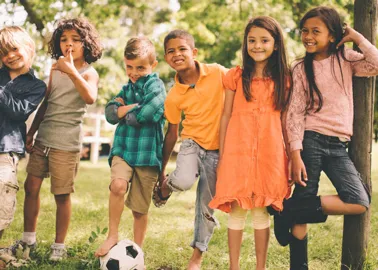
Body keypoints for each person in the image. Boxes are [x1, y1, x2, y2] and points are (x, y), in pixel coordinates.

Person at [273, 6, 378, 269]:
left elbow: (376, 64)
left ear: (332, 36)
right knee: (306, 194)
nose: (308, 36)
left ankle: (287, 210)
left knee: (358, 201)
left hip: (338, 145)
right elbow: (294, 113)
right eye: (305, 31)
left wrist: (357, 38)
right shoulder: (299, 68)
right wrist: (295, 153)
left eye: (315, 31)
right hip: (310, 141)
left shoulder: (346, 58)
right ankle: (299, 266)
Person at [12, 18, 102, 261]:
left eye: (75, 39)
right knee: (31, 187)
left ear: (87, 43)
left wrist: (71, 70)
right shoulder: (54, 68)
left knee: (61, 195)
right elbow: (47, 102)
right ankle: (28, 238)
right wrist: (32, 132)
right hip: (44, 138)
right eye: (63, 40)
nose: (69, 44)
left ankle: (58, 247)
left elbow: (90, 97)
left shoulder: (89, 73)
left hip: (67, 142)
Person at [208, 16, 291, 270]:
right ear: (245, 43)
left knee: (261, 211)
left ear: (276, 44)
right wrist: (223, 153)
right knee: (236, 209)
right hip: (237, 151)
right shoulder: (236, 76)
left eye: (264, 40)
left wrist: (288, 155)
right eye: (252, 40)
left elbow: (287, 120)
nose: (257, 45)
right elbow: (225, 115)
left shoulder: (284, 79)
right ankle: (234, 267)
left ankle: (260, 267)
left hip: (271, 152)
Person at [152, 29, 227, 270]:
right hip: (192, 144)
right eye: (170, 51)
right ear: (166, 58)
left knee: (207, 206)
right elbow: (172, 133)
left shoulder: (217, 72)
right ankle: (167, 186)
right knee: (183, 181)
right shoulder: (173, 95)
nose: (177, 54)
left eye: (182, 49)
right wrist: (162, 171)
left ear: (194, 52)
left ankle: (196, 258)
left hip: (218, 150)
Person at [95, 36, 166, 258]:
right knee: (117, 185)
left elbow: (145, 114)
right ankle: (112, 236)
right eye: (129, 67)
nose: (134, 72)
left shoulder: (157, 85)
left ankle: (137, 252)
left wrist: (124, 110)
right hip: (124, 148)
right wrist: (130, 108)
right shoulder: (126, 87)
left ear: (152, 65)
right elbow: (109, 113)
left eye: (140, 67)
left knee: (139, 209)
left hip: (147, 154)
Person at [0, 26, 46, 241]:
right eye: (3, 52)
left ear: (29, 47)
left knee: (2, 202)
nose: (9, 56)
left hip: (6, 150)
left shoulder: (36, 86)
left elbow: (18, 112)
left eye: (14, 49)